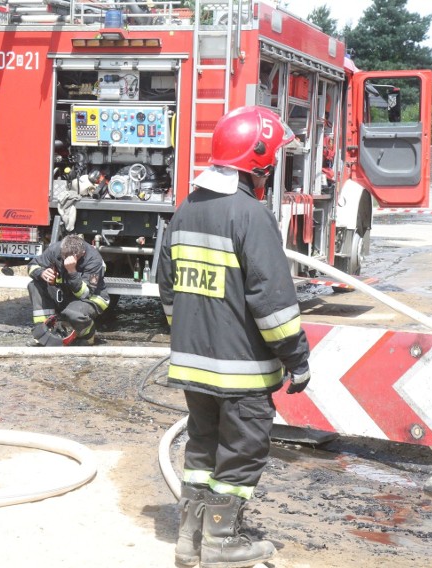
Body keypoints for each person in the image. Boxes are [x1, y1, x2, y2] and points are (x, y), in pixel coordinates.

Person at [156, 105, 312, 568]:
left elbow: (168, 290)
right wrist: (297, 359)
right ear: (258, 161)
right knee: (242, 452)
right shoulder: (250, 214)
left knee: (202, 447)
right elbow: (273, 303)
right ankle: (223, 543)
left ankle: (191, 540)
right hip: (242, 371)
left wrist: (189, 336)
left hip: (192, 366)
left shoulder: (186, 208)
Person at [26, 234, 109, 346]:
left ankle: (88, 333)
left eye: (71, 258)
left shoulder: (94, 259)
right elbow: (32, 265)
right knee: (34, 285)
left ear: (82, 253)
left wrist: (72, 271)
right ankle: (43, 331)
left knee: (72, 313)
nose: (66, 261)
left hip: (90, 298)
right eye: (64, 256)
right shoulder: (55, 249)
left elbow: (85, 294)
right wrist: (41, 273)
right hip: (64, 292)